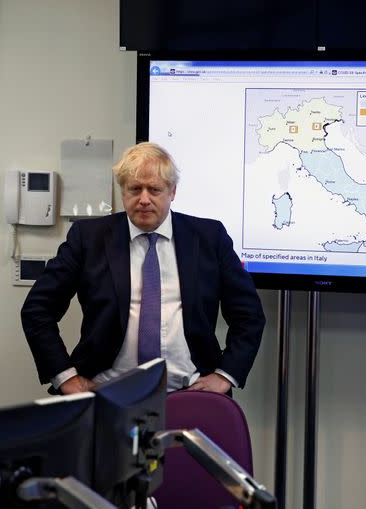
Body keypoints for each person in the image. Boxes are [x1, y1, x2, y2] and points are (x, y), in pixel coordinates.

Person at [22, 142, 266, 395]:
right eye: (135, 189)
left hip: (191, 393)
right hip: (105, 392)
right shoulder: (88, 238)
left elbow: (248, 315)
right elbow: (37, 309)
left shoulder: (208, 237)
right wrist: (65, 377)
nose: (144, 200)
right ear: (123, 192)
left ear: (172, 192)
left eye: (155, 189)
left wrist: (226, 374)